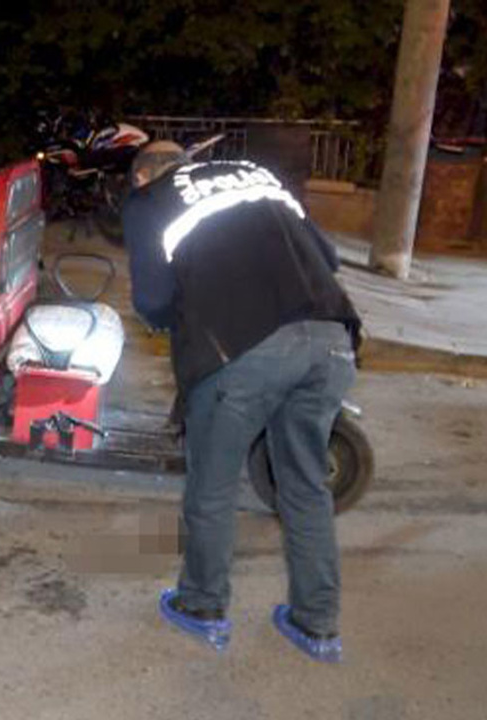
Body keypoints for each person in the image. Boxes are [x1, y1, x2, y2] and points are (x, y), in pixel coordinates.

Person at [120, 141, 362, 662]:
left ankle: (202, 606)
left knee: (213, 486)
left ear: (143, 177)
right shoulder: (253, 171)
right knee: (304, 487)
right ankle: (317, 625)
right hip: (331, 340)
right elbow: (328, 257)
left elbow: (153, 300)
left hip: (243, 350)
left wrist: (175, 320)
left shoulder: (148, 201)